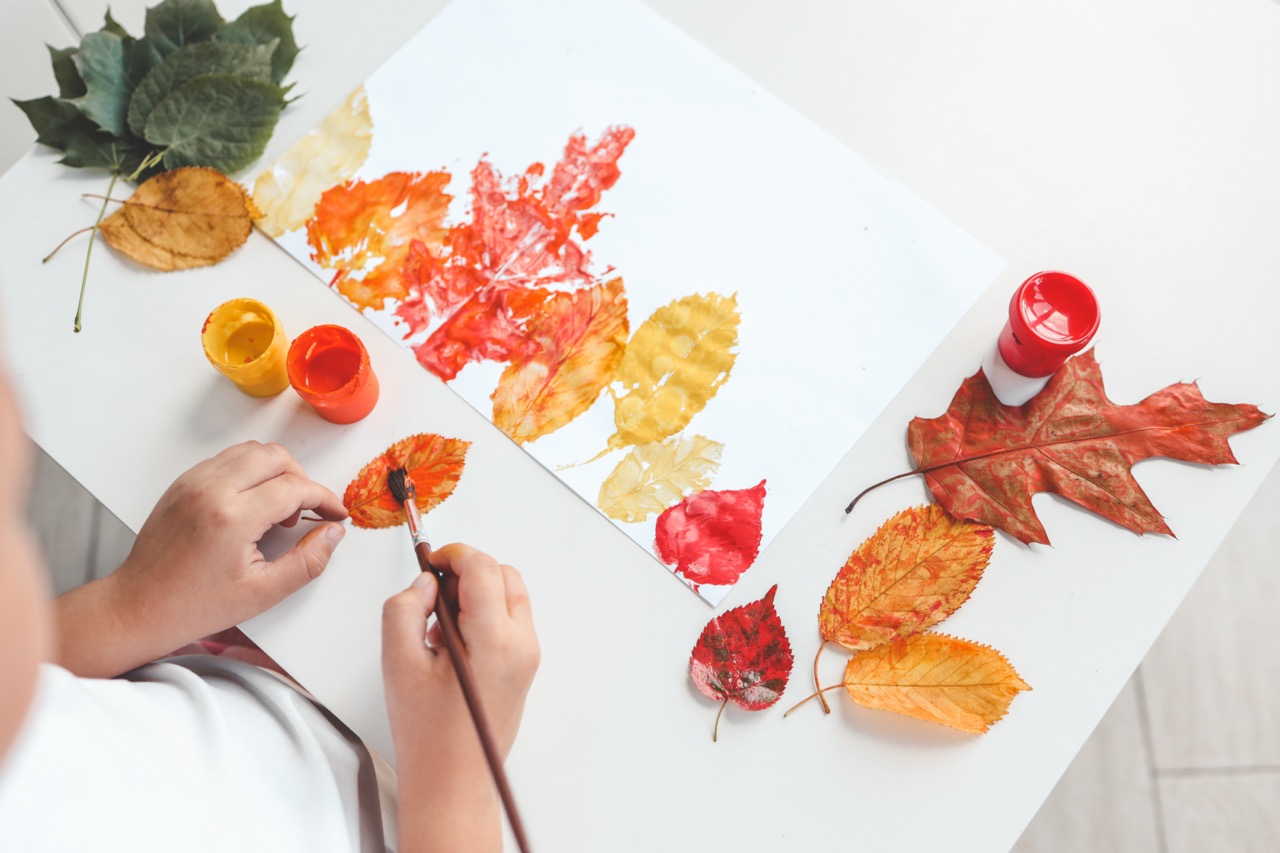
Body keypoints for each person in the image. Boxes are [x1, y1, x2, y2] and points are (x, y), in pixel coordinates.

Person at [0, 359, 540, 852]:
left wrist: (127, 608)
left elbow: (24, 679)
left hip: (225, 666)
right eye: (11, 515)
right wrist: (457, 787)